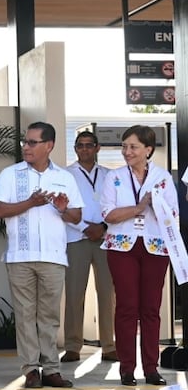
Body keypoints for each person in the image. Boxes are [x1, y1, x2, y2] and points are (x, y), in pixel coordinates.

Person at [0, 122, 82, 389]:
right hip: (20, 255)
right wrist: (31, 202)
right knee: (25, 314)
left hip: (53, 256)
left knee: (49, 316)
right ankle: (31, 369)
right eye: (25, 142)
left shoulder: (64, 177)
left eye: (32, 143)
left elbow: (77, 216)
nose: (26, 147)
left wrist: (64, 209)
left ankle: (51, 369)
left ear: (49, 146)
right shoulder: (10, 174)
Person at [100, 125, 178, 386]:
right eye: (124, 146)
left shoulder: (163, 177)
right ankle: (126, 368)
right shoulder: (114, 177)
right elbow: (108, 215)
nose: (127, 152)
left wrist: (157, 207)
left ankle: (151, 368)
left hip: (155, 247)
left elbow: (173, 216)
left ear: (148, 149)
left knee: (151, 309)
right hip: (122, 247)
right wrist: (139, 207)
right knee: (126, 306)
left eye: (133, 147)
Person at [62, 130, 116, 363]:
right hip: (77, 238)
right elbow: (62, 209)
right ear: (75, 149)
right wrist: (85, 227)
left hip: (105, 238)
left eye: (89, 145)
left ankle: (109, 345)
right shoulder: (66, 175)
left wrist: (102, 227)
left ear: (97, 148)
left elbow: (117, 204)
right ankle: (73, 345)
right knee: (75, 293)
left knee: (107, 293)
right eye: (80, 145)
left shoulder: (110, 175)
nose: (84, 149)